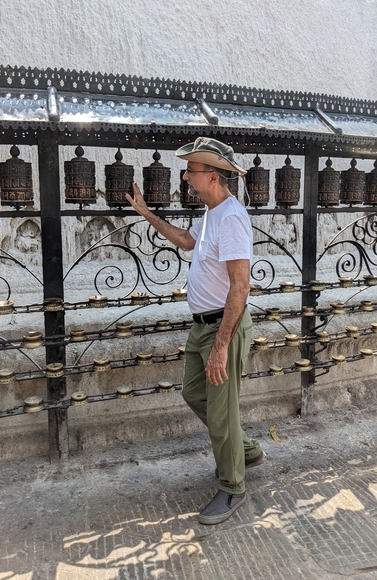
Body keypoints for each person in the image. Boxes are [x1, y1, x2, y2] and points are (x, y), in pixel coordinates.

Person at [126, 137, 264, 525]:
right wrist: (148, 215)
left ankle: (233, 486)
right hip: (201, 326)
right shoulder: (211, 215)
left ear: (215, 178)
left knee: (221, 413)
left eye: (193, 171)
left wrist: (222, 345)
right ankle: (247, 449)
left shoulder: (233, 218)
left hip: (224, 326)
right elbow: (187, 241)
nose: (186, 177)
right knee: (193, 393)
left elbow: (240, 286)